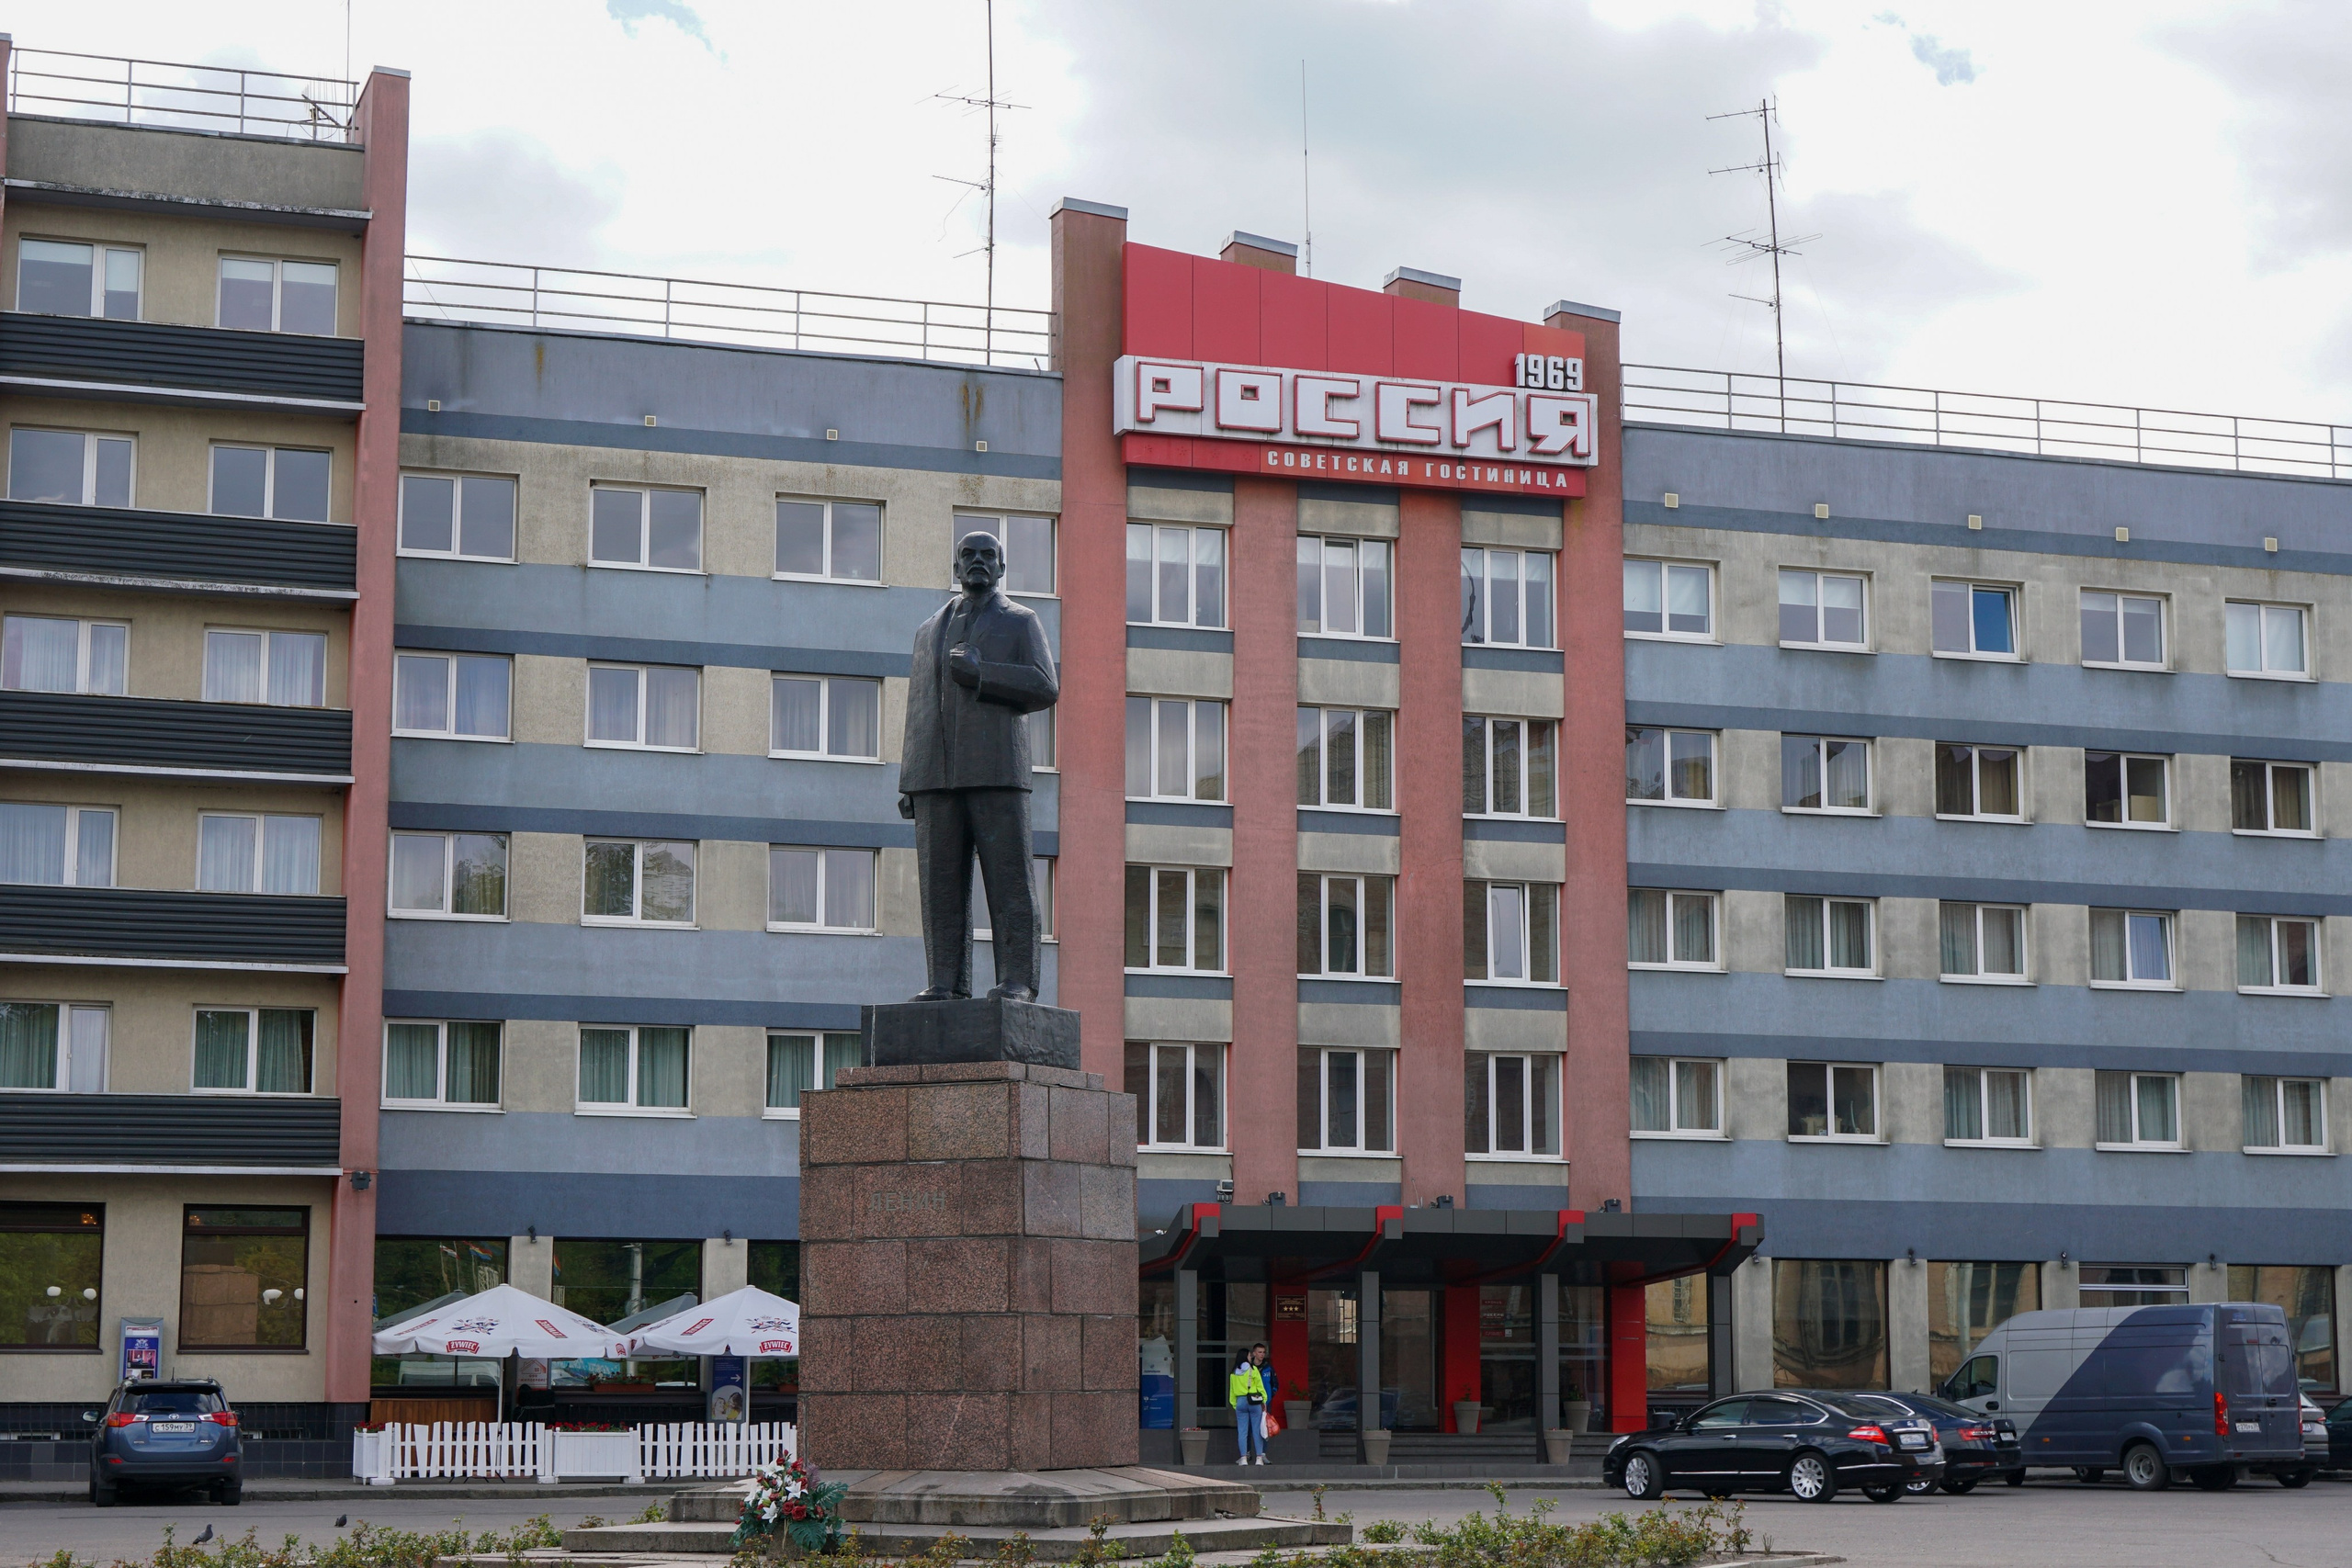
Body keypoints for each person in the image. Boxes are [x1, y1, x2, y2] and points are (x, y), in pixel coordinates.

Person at [1228, 1342, 1275, 1465]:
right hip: (1254, 1401)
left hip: (1240, 1402)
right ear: (1246, 1357)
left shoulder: (1234, 1372)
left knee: (1242, 1432)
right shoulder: (1253, 1370)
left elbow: (1232, 1392)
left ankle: (1243, 1458)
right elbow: (1260, 1387)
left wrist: (1235, 1405)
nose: (1250, 1357)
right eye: (1249, 1356)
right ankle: (1259, 1458)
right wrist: (1264, 1401)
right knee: (1257, 1430)